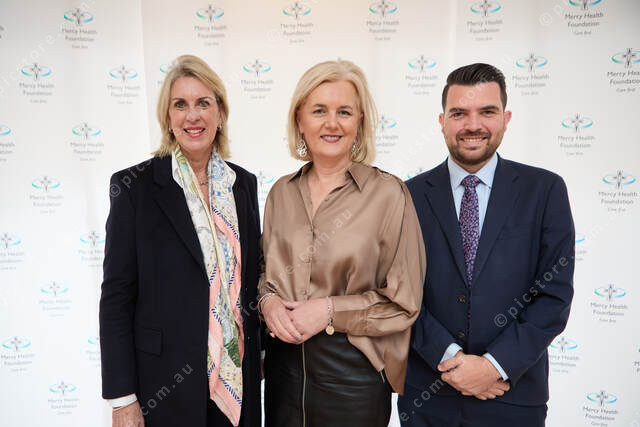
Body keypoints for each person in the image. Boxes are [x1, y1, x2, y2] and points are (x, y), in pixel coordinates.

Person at [398, 63, 575, 426]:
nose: (473, 125)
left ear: (506, 119)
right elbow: (400, 293)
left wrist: (493, 366)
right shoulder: (406, 195)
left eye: (487, 112)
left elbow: (553, 295)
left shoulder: (545, 191)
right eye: (459, 113)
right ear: (442, 121)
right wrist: (452, 361)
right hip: (428, 397)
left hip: (512, 394)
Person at [258, 60, 426, 427]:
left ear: (359, 122)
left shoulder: (389, 194)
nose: (331, 123)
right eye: (319, 111)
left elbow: (404, 302)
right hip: (284, 378)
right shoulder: (280, 193)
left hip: (353, 381)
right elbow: (264, 273)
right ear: (300, 120)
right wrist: (267, 302)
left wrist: (330, 310)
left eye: (344, 112)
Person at [99, 55, 261, 427]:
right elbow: (116, 298)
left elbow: (250, 279)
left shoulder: (242, 184)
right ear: (167, 117)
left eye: (203, 103)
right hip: (163, 385)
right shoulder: (134, 188)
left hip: (238, 378)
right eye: (180, 105)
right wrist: (122, 399)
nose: (193, 116)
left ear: (220, 113)